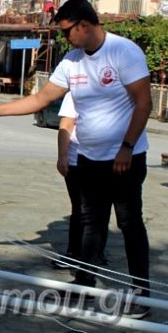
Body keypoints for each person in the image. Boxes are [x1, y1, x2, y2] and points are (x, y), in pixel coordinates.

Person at [0, 0, 153, 318]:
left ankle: (142, 293)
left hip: (125, 157)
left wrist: (127, 147)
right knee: (89, 223)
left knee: (129, 223)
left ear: (84, 25)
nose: (64, 38)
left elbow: (143, 103)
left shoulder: (124, 52)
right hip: (88, 157)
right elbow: (41, 98)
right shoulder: (71, 61)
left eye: (66, 31)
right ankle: (85, 284)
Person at [54, 93, 108, 270]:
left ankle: (96, 253)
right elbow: (67, 124)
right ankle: (75, 253)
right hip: (77, 159)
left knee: (101, 207)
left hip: (106, 159)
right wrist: (62, 156)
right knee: (80, 207)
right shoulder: (77, 88)